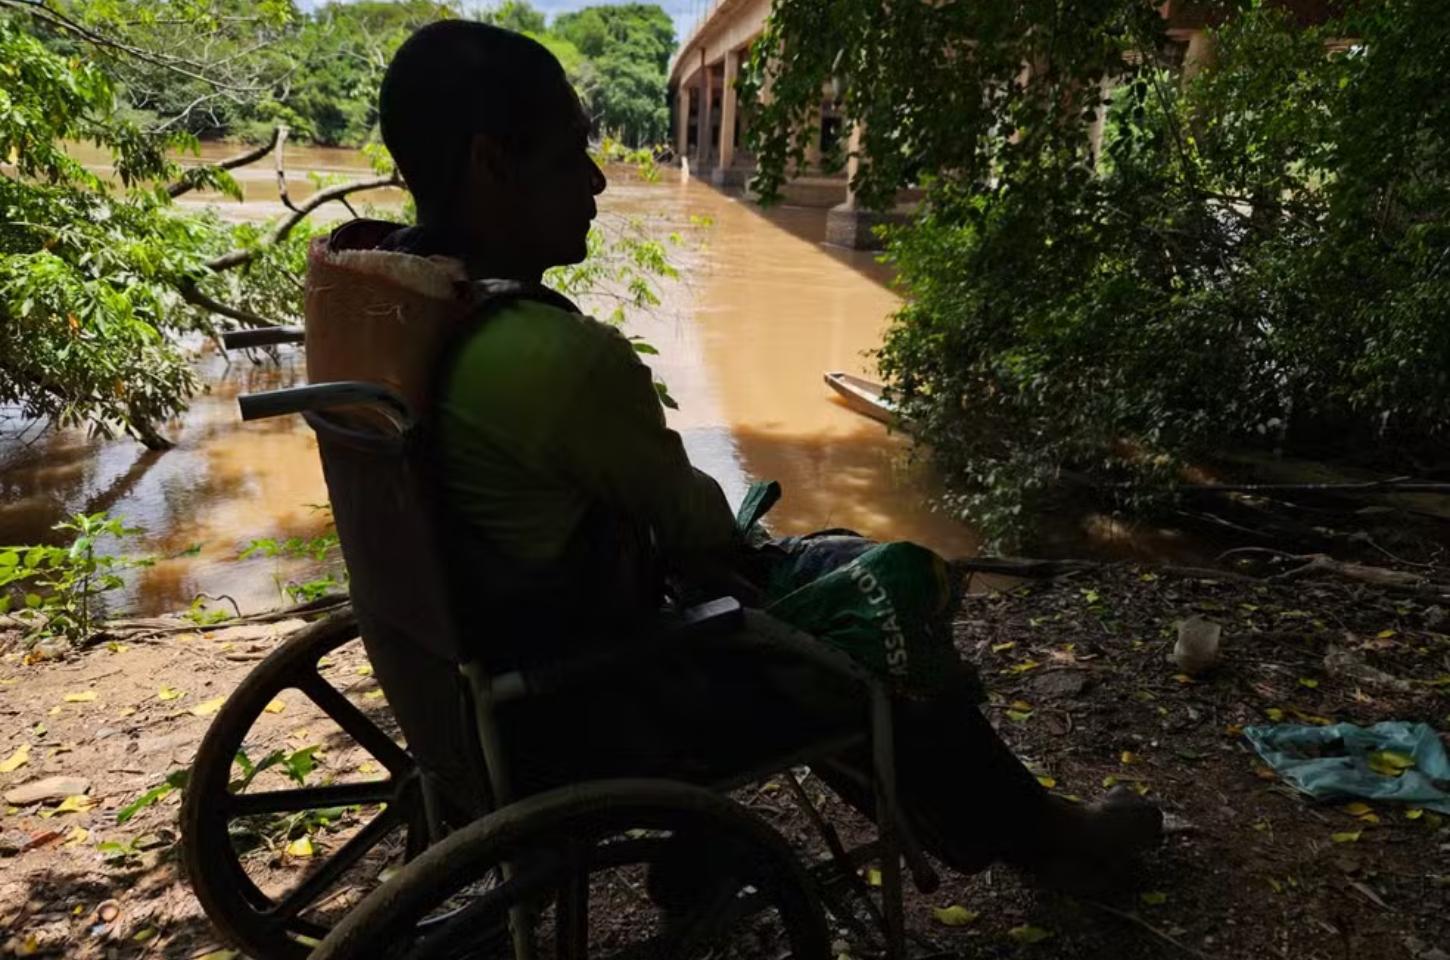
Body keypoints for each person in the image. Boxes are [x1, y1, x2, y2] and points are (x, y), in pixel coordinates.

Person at [342, 19, 1161, 896]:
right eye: (568, 156)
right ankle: (1046, 839)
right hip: (598, 699)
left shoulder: (377, 297)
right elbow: (694, 522)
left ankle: (728, 852)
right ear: (491, 165)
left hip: (472, 675)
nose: (595, 181)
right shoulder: (553, 357)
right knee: (886, 613)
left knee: (831, 566)